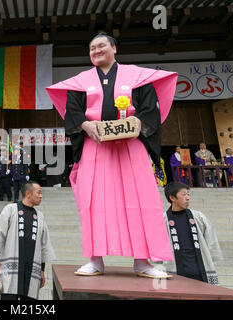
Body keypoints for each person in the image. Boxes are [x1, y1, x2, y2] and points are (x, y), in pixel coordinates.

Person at [46, 32, 177, 278]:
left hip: (131, 147)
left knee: (141, 201)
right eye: (92, 48)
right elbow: (72, 112)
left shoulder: (137, 77)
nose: (96, 50)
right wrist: (85, 125)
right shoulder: (81, 81)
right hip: (95, 148)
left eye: (102, 46)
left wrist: (138, 122)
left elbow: (150, 109)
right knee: (93, 202)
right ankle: (95, 260)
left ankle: (143, 262)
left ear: (114, 48)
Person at [0, 181, 55, 300]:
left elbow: (43, 246)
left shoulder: (40, 217)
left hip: (32, 271)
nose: (41, 196)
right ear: (28, 193)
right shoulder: (10, 209)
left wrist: (41, 270)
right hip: (11, 272)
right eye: (39, 193)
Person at [163, 182, 223, 284]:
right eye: (183, 194)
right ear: (172, 198)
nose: (187, 198)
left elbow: (211, 239)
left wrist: (210, 258)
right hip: (174, 269)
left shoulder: (198, 216)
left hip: (199, 269)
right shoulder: (163, 219)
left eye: (188, 194)